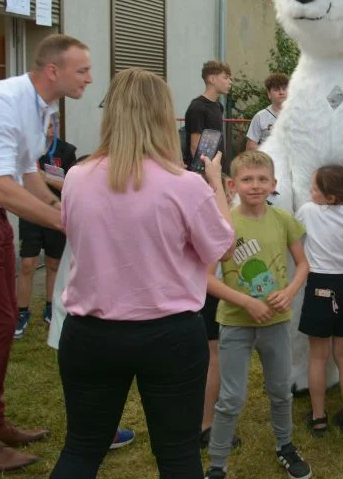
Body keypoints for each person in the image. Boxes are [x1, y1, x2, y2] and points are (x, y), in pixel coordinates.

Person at [49, 67, 235, 479]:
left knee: (81, 449)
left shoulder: (77, 178)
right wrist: (215, 182)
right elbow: (222, 246)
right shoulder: (184, 185)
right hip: (169, 335)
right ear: (163, 118)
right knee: (178, 456)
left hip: (91, 332)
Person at [0, 34, 91, 472]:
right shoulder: (1, 103)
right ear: (54, 70)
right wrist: (63, 222)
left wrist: (66, 205)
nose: (89, 78)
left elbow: (28, 172)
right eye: (82, 70)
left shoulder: (42, 108)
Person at [204, 150, 311, 479]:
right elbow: (205, 279)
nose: (255, 185)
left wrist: (290, 292)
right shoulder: (224, 223)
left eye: (262, 179)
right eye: (247, 179)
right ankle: (217, 464)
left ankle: (285, 445)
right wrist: (247, 302)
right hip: (236, 324)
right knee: (231, 399)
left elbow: (303, 265)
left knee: (280, 391)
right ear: (232, 185)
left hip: (277, 325)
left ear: (274, 183)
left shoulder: (283, 220)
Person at [45, 154, 136, 456]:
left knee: (85, 378)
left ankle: (94, 431)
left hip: (79, 305)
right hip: (83, 305)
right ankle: (95, 432)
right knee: (90, 382)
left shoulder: (80, 202)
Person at [184, 59, 233, 446]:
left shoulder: (220, 108)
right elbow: (197, 149)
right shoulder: (199, 107)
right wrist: (209, 182)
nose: (230, 81)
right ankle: (201, 422)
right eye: (226, 76)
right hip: (204, 182)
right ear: (211, 78)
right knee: (207, 347)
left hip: (218, 183)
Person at [296, 165, 343, 437]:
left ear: (330, 197)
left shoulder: (308, 212)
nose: (310, 192)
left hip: (318, 287)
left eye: (314, 188)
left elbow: (291, 232)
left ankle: (318, 416)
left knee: (317, 357)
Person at [14, 114, 78, 339]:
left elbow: (71, 183)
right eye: (43, 126)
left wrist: (47, 178)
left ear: (57, 126)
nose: (48, 130)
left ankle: (51, 307)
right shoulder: (28, 149)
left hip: (55, 213)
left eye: (51, 125)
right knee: (28, 264)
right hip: (30, 213)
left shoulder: (66, 151)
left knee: (53, 263)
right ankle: (22, 313)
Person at [246, 72, 289, 150]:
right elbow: (250, 146)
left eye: (284, 89)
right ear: (269, 94)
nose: (281, 92)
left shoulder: (297, 115)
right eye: (276, 89)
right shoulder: (260, 117)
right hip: (268, 161)